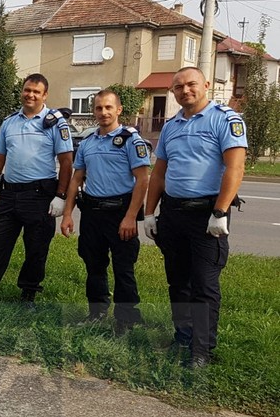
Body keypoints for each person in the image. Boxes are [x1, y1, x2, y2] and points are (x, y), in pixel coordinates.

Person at [144, 66, 246, 368]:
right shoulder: (172, 126)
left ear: (205, 85)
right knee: (177, 281)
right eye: (178, 87)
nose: (184, 90)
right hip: (173, 214)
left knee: (204, 284)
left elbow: (235, 169)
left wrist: (220, 211)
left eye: (190, 84)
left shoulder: (225, 120)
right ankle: (183, 337)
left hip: (207, 215)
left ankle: (202, 351)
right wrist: (150, 213)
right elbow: (159, 173)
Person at [0, 73, 73, 306]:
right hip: (9, 194)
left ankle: (28, 293)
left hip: (40, 195)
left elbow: (67, 162)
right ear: (22, 91)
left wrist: (60, 196)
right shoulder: (10, 122)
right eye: (27, 90)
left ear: (45, 95)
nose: (30, 95)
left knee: (36, 248)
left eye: (36, 91)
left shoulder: (55, 123)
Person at [60, 90, 149, 330]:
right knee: (94, 265)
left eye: (109, 107)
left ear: (119, 110)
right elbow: (76, 179)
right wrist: (68, 214)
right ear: (94, 112)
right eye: (99, 108)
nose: (103, 112)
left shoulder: (131, 140)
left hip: (121, 214)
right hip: (92, 214)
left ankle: (126, 319)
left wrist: (131, 217)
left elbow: (142, 180)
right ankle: (96, 313)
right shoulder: (88, 143)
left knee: (123, 268)